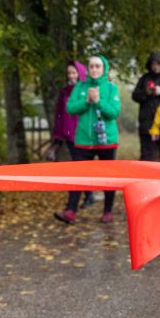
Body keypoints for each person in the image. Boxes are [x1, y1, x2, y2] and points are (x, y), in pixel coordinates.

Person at [54, 55, 121, 225]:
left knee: (108, 178)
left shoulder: (111, 88)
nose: (95, 69)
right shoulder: (80, 87)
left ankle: (107, 211)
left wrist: (98, 102)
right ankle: (70, 210)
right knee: (78, 176)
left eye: (98, 66)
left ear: (104, 68)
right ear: (88, 69)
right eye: (91, 66)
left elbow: (114, 112)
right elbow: (70, 108)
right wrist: (86, 101)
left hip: (107, 141)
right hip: (83, 140)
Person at [50, 61, 94, 211]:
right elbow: (60, 114)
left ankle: (80, 200)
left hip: (82, 134)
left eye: (74, 73)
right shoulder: (64, 92)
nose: (71, 76)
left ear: (80, 73)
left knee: (79, 167)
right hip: (68, 134)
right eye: (69, 73)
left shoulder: (86, 90)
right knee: (77, 167)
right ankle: (87, 195)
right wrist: (57, 135)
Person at [132, 52, 160, 161]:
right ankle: (144, 177)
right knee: (146, 155)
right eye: (153, 64)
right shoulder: (144, 78)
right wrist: (146, 93)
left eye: (158, 64)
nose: (155, 67)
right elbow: (135, 95)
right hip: (146, 124)